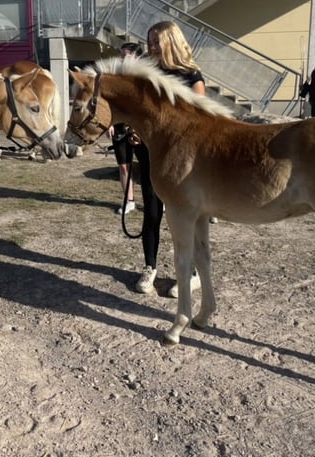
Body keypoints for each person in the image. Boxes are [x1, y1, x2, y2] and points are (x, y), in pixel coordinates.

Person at [133, 21, 205, 298]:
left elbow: (199, 120)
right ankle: (149, 266)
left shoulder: (191, 76)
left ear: (171, 42)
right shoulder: (146, 74)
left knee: (185, 215)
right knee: (151, 213)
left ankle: (192, 273)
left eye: (157, 42)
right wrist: (135, 131)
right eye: (150, 42)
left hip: (181, 160)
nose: (152, 47)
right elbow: (139, 113)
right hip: (150, 154)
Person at [107, 42, 143, 215]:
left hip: (141, 129)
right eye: (120, 56)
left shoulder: (145, 78)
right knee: (123, 166)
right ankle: (129, 201)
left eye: (125, 56)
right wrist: (110, 123)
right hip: (120, 128)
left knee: (149, 167)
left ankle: (159, 200)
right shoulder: (116, 78)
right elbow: (110, 103)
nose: (121, 59)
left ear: (137, 57)